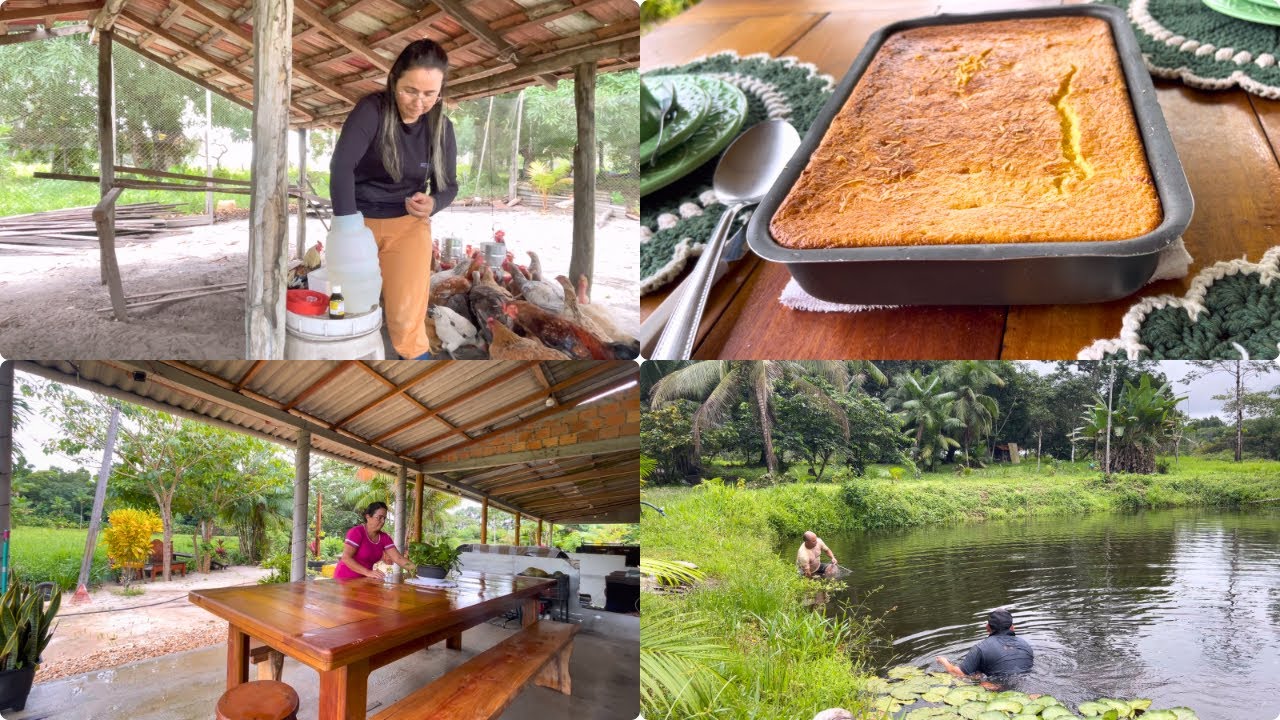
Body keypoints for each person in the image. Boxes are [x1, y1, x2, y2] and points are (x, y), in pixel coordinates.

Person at [330, 38, 459, 360]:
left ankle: (416, 365)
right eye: (410, 91)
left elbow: (450, 186)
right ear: (393, 81)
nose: (419, 102)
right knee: (348, 307)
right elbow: (342, 166)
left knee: (406, 318)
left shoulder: (441, 127)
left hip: (409, 227)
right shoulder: (371, 110)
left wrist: (434, 203)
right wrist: (347, 231)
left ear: (440, 92)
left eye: (429, 94)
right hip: (358, 223)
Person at [936, 609, 1034, 688]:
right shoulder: (1026, 645)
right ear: (1012, 627)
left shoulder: (981, 648)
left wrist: (944, 661)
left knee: (981, 682)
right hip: (1027, 684)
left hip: (997, 688)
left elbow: (958, 674)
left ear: (987, 627)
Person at [334, 502, 417, 580]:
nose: (383, 521)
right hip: (345, 578)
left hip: (364, 579)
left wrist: (419, 570)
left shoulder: (385, 538)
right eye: (379, 517)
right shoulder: (356, 532)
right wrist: (368, 572)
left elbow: (398, 558)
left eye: (384, 518)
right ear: (368, 517)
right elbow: (346, 558)